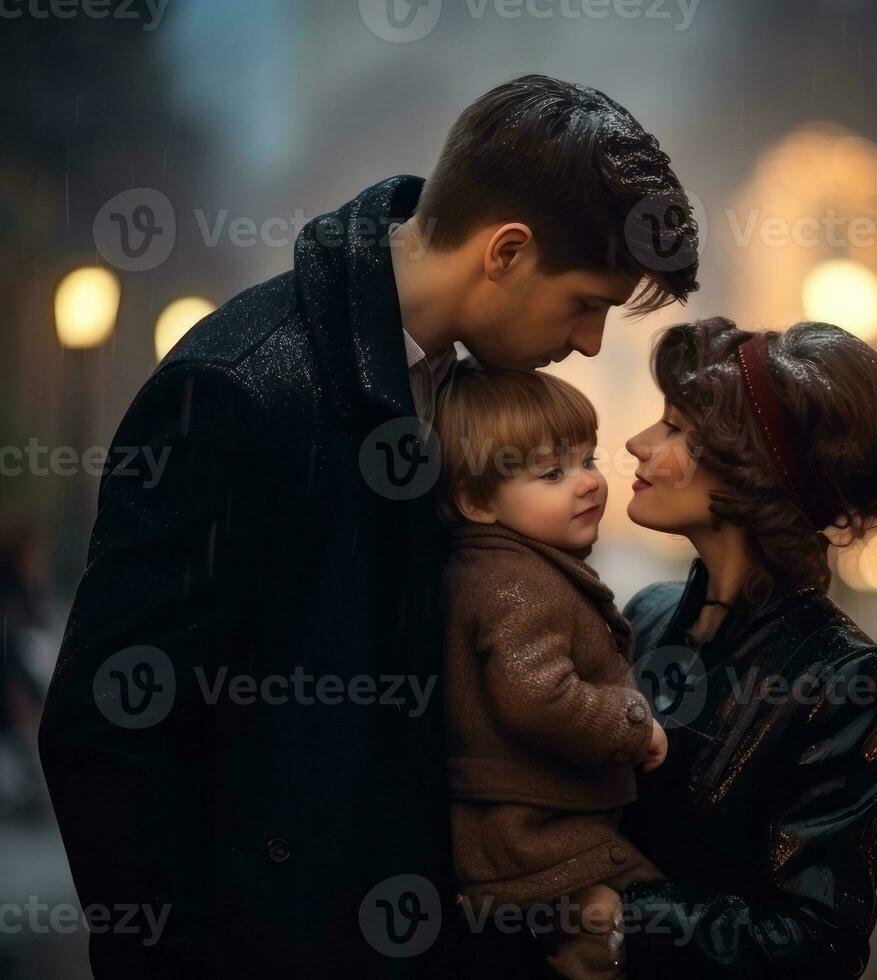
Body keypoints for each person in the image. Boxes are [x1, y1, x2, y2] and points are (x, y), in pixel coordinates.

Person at [37, 74, 698, 977]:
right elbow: (109, 729)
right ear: (504, 251)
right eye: (585, 301)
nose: (589, 342)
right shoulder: (241, 387)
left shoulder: (460, 391)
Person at [614, 316, 877, 976]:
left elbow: (816, 945)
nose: (637, 442)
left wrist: (620, 918)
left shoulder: (846, 681)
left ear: (747, 469)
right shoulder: (643, 618)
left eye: (673, 428)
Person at [433, 365, 667, 979]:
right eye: (552, 473)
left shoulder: (493, 565)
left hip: (509, 826)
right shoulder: (517, 581)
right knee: (641, 904)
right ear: (478, 501)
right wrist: (633, 726)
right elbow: (538, 696)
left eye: (588, 459)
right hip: (529, 832)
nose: (587, 483)